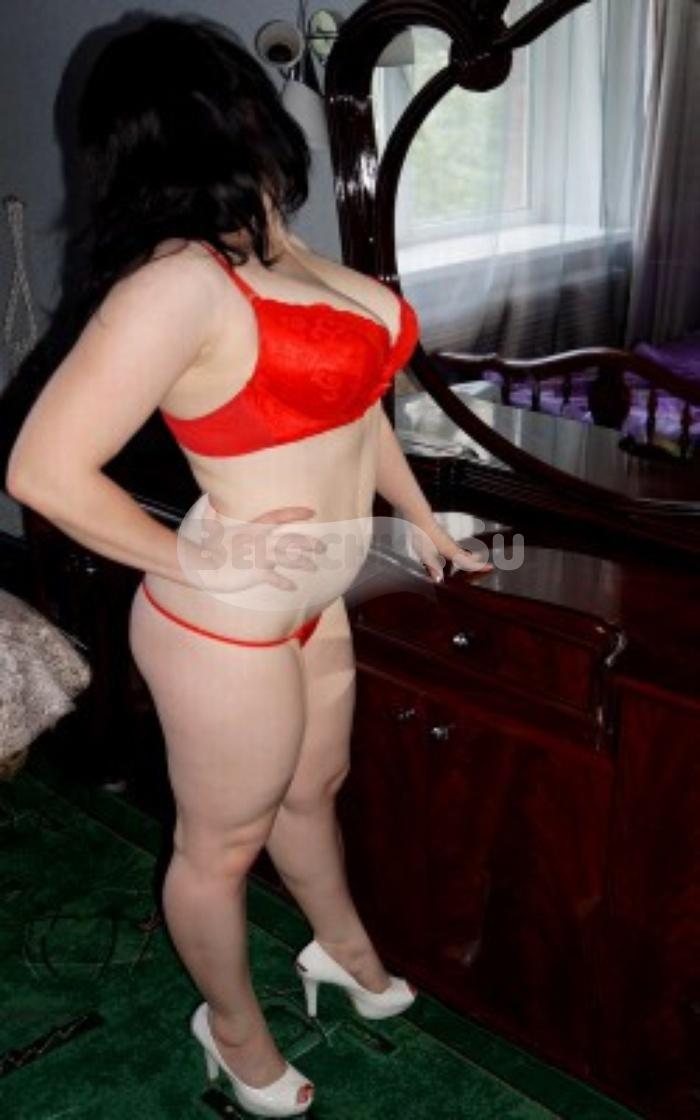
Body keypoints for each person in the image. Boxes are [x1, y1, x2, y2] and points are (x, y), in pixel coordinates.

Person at [5, 13, 488, 1117]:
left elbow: (359, 409)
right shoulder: (179, 280)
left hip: (316, 599)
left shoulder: (281, 246)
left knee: (313, 792)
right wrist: (191, 556)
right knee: (220, 848)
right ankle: (229, 1029)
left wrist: (424, 520)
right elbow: (43, 469)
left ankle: (341, 949)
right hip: (222, 621)